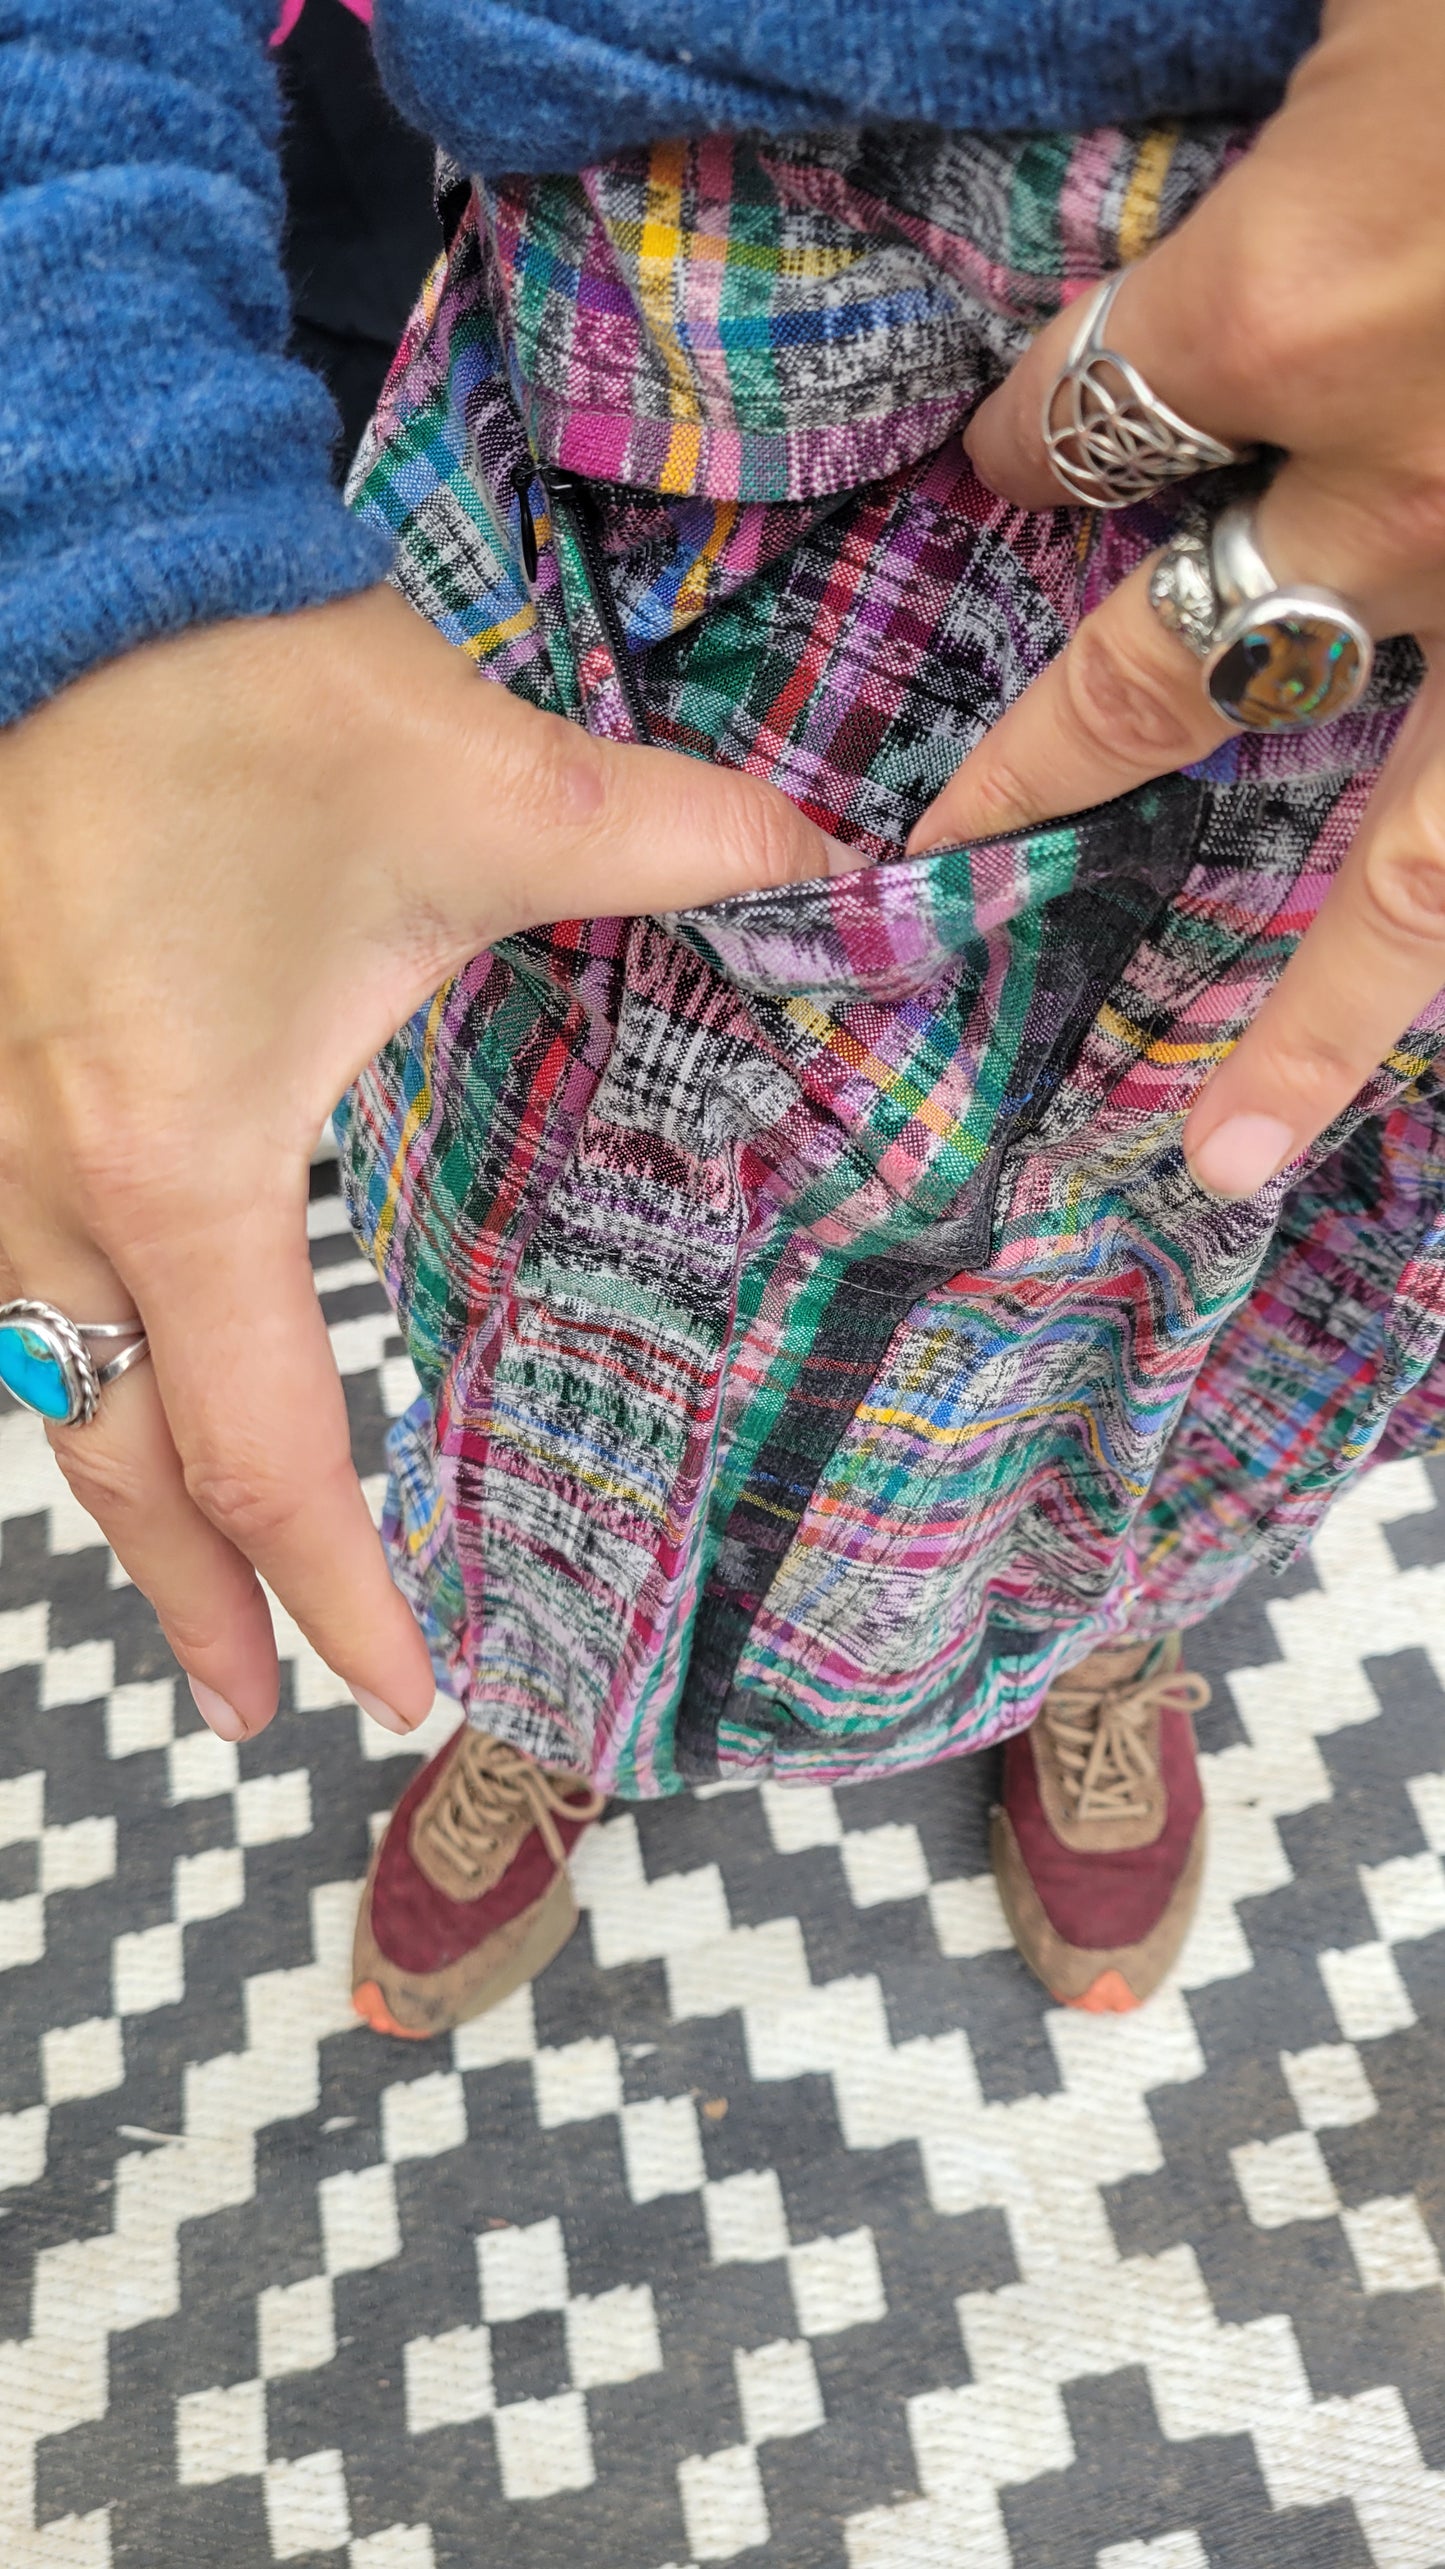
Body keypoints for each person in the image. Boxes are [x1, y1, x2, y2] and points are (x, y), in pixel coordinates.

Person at [3, 0, 1444, 2037]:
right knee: (542, 1279)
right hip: (670, 424)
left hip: (1388, 609)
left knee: (1205, 1276)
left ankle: (1093, 1635)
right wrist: (86, 514)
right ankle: (558, 1679)